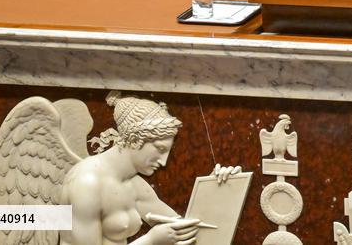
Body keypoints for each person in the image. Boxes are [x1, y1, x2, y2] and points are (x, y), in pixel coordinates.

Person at [60, 92, 239, 245]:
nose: (163, 162)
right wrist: (150, 241)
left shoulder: (135, 185)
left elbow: (187, 229)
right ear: (137, 140)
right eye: (160, 150)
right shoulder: (86, 184)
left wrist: (219, 188)